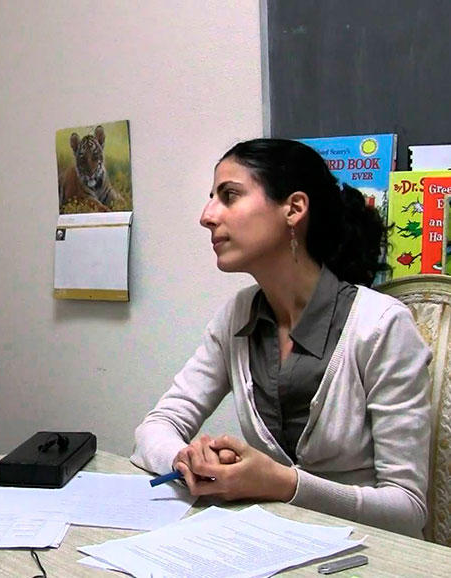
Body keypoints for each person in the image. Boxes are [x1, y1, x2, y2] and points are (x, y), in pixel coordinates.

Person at [131, 138, 431, 538]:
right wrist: (189, 459)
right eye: (211, 198)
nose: (207, 216)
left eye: (229, 195)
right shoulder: (238, 316)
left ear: (294, 209)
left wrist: (283, 484)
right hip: (274, 546)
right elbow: (157, 427)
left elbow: (408, 510)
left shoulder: (381, 326)